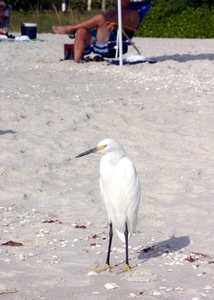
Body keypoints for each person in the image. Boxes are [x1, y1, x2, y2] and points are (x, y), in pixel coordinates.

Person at [52, 0, 140, 63]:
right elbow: (100, 23)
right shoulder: (110, 11)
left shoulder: (133, 13)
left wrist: (115, 23)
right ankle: (76, 62)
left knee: (100, 17)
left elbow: (133, 26)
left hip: (112, 36)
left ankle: (71, 28)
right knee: (81, 31)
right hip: (97, 33)